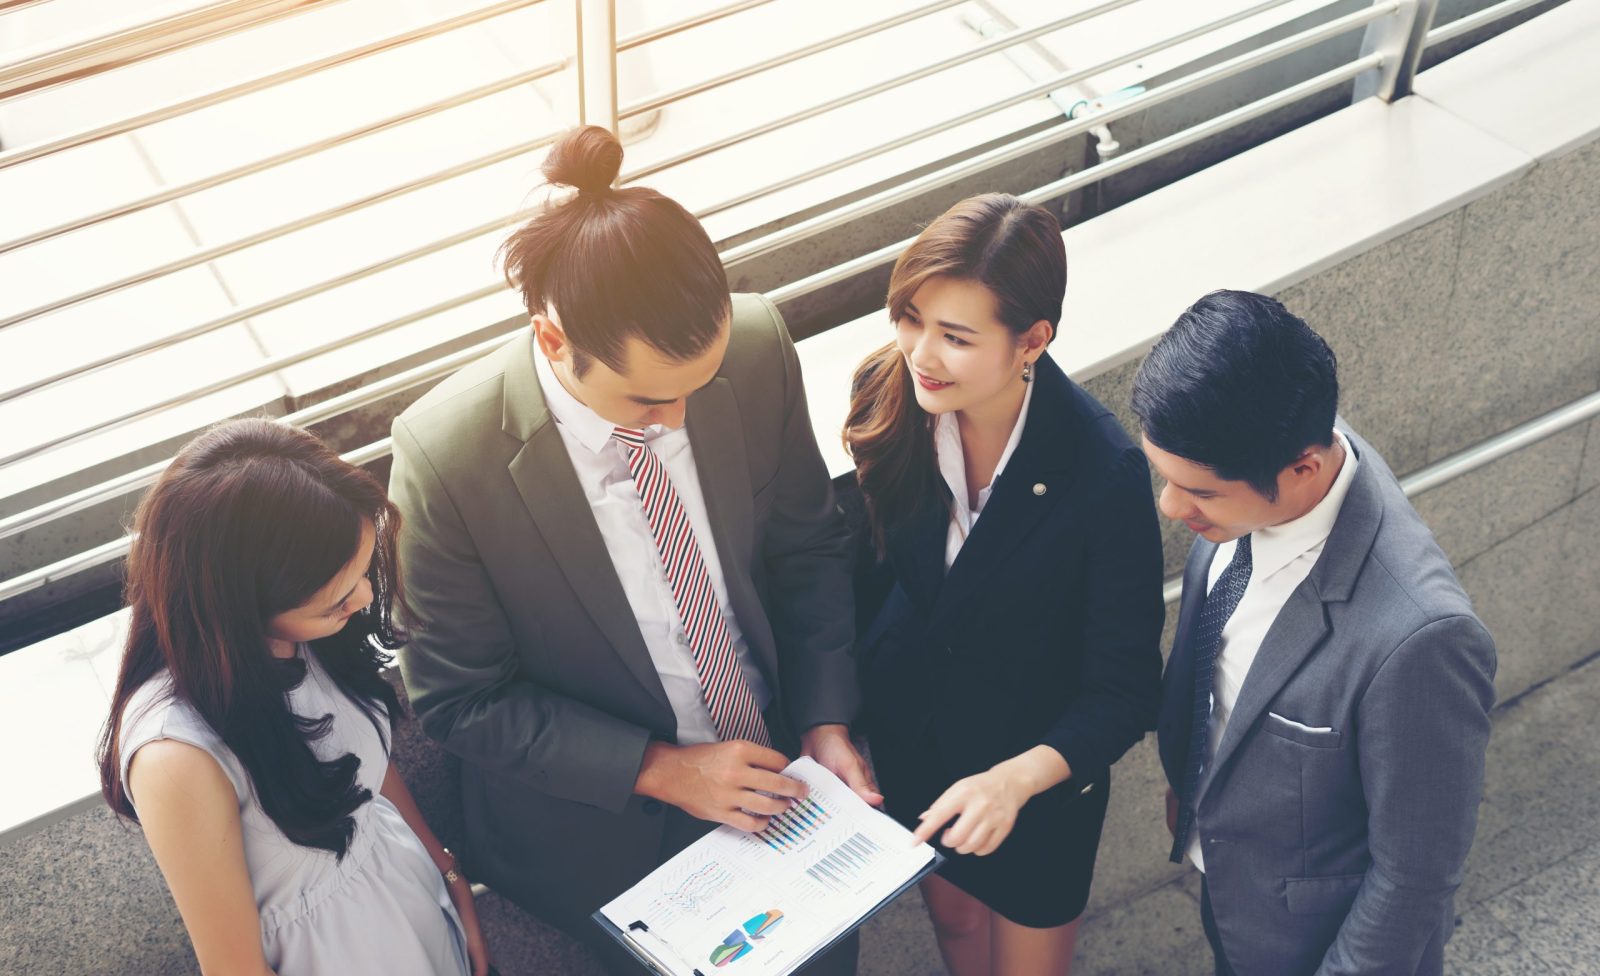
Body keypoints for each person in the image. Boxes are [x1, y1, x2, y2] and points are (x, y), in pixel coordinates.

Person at [387, 126, 870, 976]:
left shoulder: (756, 344)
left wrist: (825, 721)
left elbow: (808, 548)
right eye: (647, 400)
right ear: (552, 340)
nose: (677, 420)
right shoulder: (445, 458)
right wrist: (662, 770)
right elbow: (462, 701)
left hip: (789, 774)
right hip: (607, 833)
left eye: (697, 386)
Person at [844, 193, 1166, 976]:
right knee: (957, 931)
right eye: (911, 318)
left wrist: (1014, 781)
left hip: (1036, 779)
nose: (921, 353)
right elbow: (868, 573)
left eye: (956, 337)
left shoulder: (1102, 472)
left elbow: (1125, 689)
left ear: (1033, 340)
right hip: (915, 748)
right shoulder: (890, 394)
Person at [1133, 290, 1497, 976]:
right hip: (1233, 890)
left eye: (1200, 492)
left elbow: (1416, 874)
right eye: (1167, 479)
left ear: (1303, 469)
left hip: (1314, 946)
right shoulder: (1274, 437)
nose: (1171, 505)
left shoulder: (1422, 640)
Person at [96, 418, 489, 976]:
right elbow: (235, 968)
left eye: (361, 573)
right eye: (336, 599)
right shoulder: (176, 755)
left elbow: (363, 771)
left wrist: (446, 870)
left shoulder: (304, 635)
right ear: (239, 603)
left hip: (412, 897)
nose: (365, 596)